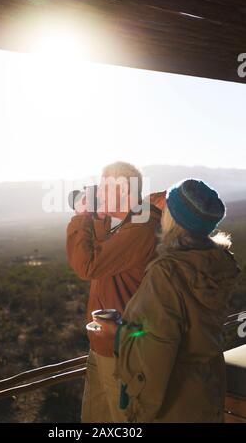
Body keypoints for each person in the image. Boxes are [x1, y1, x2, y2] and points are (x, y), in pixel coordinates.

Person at [94, 179, 240, 423]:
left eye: (167, 209)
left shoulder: (167, 273)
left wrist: (118, 333)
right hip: (207, 392)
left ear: (174, 218)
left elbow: (155, 351)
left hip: (173, 403)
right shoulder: (217, 265)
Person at [66, 161, 165, 423]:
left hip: (124, 349)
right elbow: (97, 253)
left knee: (123, 421)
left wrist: (81, 217)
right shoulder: (120, 225)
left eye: (105, 187)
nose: (98, 193)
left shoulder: (141, 227)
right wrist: (95, 216)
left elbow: (88, 265)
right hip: (101, 343)